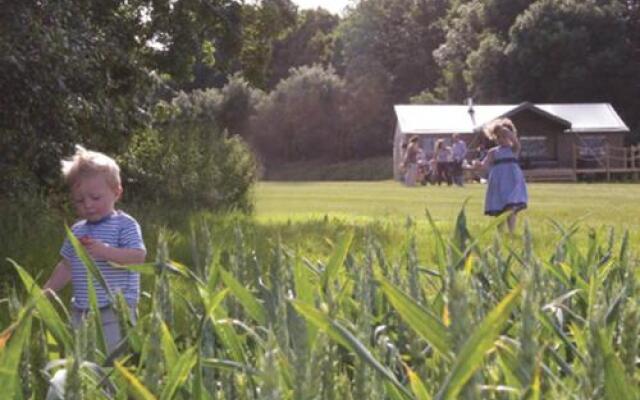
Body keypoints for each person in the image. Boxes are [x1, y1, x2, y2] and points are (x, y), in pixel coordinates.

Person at [44, 145, 146, 354]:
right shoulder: (78, 230)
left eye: (95, 198)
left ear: (117, 192)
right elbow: (67, 265)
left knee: (112, 361)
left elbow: (138, 257)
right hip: (81, 311)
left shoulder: (124, 225)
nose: (88, 205)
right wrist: (45, 292)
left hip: (114, 313)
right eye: (79, 200)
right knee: (81, 359)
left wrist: (105, 251)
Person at [468, 118, 528, 234]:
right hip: (498, 181)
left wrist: (509, 133)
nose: (501, 139)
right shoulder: (493, 152)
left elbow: (516, 142)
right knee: (499, 207)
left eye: (505, 136)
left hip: (512, 180)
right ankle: (500, 232)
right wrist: (477, 165)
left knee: (511, 207)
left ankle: (511, 231)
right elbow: (485, 165)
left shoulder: (514, 149)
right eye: (499, 137)